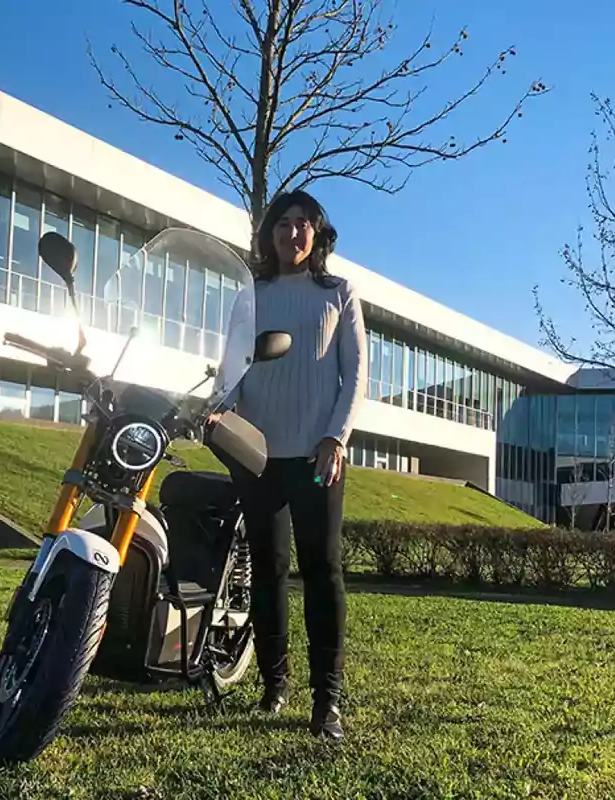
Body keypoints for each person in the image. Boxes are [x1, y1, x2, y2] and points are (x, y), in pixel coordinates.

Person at [219, 188, 367, 741]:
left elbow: (354, 376)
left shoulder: (339, 292)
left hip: (316, 455)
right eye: (283, 224)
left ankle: (326, 699)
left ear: (318, 234)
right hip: (258, 453)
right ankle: (273, 685)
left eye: (303, 224)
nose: (293, 233)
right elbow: (231, 368)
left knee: (323, 571)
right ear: (269, 235)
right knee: (268, 569)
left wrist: (336, 437)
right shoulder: (249, 296)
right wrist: (220, 415)